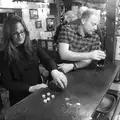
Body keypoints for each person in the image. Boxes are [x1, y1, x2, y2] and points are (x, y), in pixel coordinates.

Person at [0, 14, 67, 106]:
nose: (20, 36)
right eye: (15, 34)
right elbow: (8, 83)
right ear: (9, 35)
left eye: (22, 31)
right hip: (19, 96)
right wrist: (31, 88)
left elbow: (47, 59)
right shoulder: (4, 54)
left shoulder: (33, 45)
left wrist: (54, 71)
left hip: (38, 90)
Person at [57, 9, 106, 73]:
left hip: (81, 70)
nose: (96, 28)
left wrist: (73, 66)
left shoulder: (95, 37)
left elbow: (88, 60)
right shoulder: (67, 29)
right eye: (93, 24)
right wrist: (89, 55)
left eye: (97, 25)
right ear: (83, 20)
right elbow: (64, 54)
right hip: (62, 69)